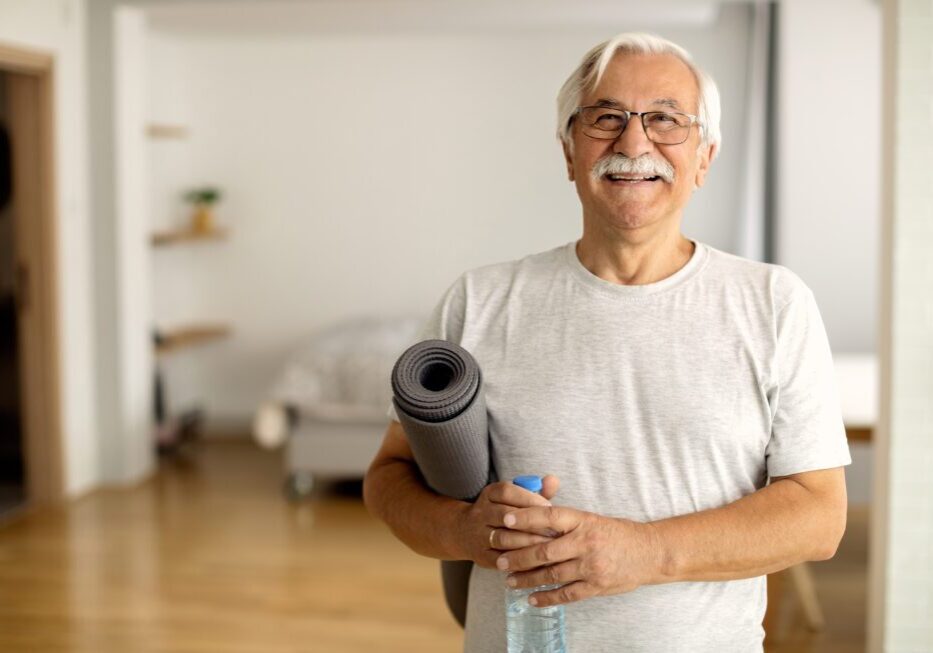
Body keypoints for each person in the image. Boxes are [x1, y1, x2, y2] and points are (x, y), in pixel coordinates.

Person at [363, 32, 850, 652]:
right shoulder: (478, 301)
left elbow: (819, 518)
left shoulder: (775, 304)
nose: (633, 141)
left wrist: (644, 552)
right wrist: (462, 531)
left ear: (705, 156)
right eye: (606, 117)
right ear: (569, 152)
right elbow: (388, 478)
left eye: (666, 120)